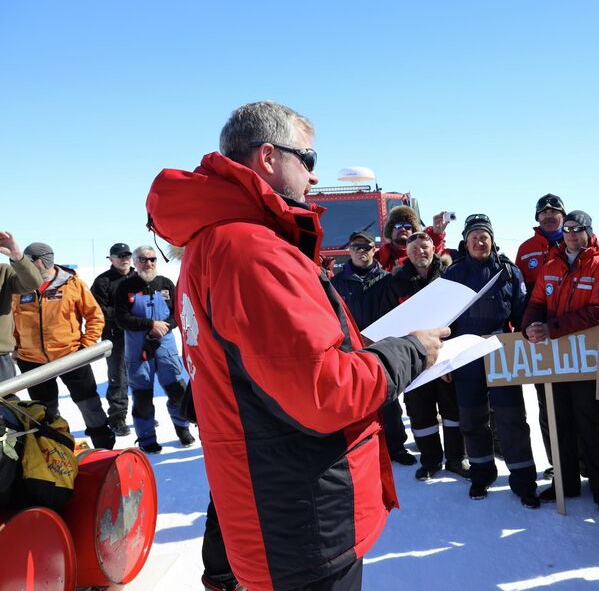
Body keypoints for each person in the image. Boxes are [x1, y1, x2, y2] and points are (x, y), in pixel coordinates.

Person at [146, 100, 445, 591]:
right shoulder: (250, 251)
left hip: (275, 509)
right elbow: (325, 392)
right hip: (302, 525)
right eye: (306, 159)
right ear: (268, 157)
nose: (314, 176)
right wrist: (409, 350)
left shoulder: (215, 244)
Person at [522, 210, 599, 521]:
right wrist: (529, 327)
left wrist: (556, 328)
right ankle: (566, 483)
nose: (572, 235)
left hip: (585, 358)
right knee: (558, 421)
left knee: (590, 422)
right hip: (555, 358)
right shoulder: (551, 265)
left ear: (589, 233)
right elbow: (537, 301)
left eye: (578, 229)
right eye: (568, 230)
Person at [443, 214, 539, 507]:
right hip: (464, 353)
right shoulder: (453, 274)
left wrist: (530, 334)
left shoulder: (509, 272)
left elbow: (522, 313)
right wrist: (443, 358)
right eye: (474, 236)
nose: (479, 241)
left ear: (492, 239)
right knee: (473, 419)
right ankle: (481, 474)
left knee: (511, 418)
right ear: (466, 241)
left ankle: (523, 480)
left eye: (484, 236)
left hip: (501, 351)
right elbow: (441, 320)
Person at [381, 231, 469, 480]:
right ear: (406, 253)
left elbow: (460, 318)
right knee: (421, 413)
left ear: (434, 248)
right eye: (414, 247)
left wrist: (449, 360)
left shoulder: (449, 277)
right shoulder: (396, 282)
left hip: (446, 358)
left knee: (452, 413)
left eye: (425, 245)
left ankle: (455, 459)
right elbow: (389, 323)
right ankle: (430, 461)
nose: (420, 251)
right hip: (414, 360)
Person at [12, 242, 115, 449]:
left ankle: (104, 449)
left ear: (41, 261)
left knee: (89, 405)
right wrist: (17, 346)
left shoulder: (73, 284)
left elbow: (94, 316)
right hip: (32, 362)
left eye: (28, 261)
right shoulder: (19, 286)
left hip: (71, 357)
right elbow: (12, 319)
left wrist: (86, 346)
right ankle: (56, 453)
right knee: (45, 412)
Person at [332, 230, 415, 466]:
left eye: (367, 247)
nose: (362, 252)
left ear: (374, 250)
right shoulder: (336, 283)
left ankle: (395, 445)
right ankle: (360, 445)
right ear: (349, 250)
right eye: (357, 247)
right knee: (356, 399)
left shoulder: (387, 279)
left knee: (388, 398)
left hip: (382, 346)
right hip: (351, 348)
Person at [114, 246, 195, 454]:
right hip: (138, 351)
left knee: (178, 392)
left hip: (166, 349)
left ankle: (182, 428)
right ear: (135, 261)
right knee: (142, 398)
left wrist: (164, 326)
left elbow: (177, 313)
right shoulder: (126, 287)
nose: (148, 263)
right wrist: (150, 325)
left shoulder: (166, 284)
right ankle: (147, 438)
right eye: (142, 259)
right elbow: (121, 319)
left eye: (152, 259)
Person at [514, 193, 567, 475]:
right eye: (543, 212)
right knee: (547, 404)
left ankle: (581, 463)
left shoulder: (574, 241)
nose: (549, 216)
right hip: (540, 338)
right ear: (537, 218)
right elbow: (520, 296)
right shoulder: (526, 249)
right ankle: (557, 464)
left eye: (554, 212)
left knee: (579, 404)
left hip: (573, 336)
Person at [90, 242, 136, 436]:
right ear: (111, 258)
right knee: (118, 379)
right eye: (120, 255)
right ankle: (117, 419)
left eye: (127, 254)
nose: (124, 258)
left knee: (142, 377)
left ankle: (143, 415)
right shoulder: (102, 281)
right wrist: (123, 314)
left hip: (139, 335)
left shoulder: (139, 276)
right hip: (116, 337)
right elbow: (97, 309)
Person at [0, 232, 41, 382]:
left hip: (0, 360)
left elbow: (32, 283)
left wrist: (17, 256)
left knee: (5, 404)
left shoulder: (3, 272)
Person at [375, 206, 447, 272]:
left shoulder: (421, 253)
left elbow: (430, 249)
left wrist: (436, 233)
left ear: (413, 231)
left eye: (407, 226)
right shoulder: (377, 257)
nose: (403, 229)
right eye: (398, 225)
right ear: (390, 231)